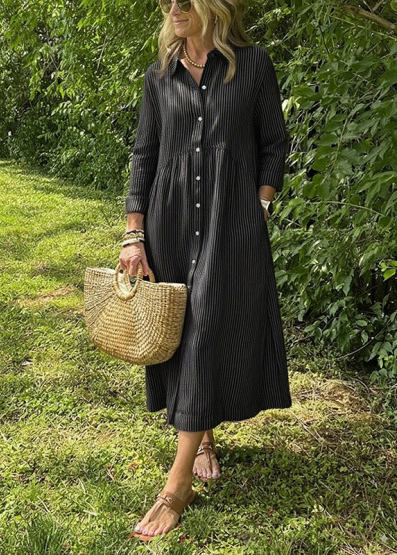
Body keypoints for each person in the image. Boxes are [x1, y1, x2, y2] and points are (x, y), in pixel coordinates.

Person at [120, 0, 292, 541]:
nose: (172, 7)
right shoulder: (159, 76)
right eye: (166, 0)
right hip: (170, 222)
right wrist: (133, 234)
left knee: (206, 326)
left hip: (228, 222)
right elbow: (145, 154)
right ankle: (203, 437)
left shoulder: (252, 65)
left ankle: (176, 486)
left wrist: (259, 205)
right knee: (183, 334)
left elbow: (275, 141)